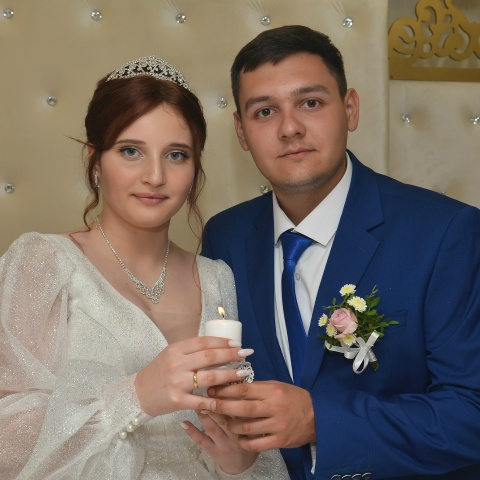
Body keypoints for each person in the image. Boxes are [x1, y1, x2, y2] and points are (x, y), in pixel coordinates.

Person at [201, 25, 480, 480]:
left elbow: (471, 411)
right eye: (265, 111)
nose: (290, 128)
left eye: (310, 103)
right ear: (241, 131)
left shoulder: (445, 233)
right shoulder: (225, 236)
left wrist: (319, 421)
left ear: (350, 109)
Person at [0, 56, 289, 480]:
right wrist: (135, 395)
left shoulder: (216, 277)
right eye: (130, 151)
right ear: (95, 160)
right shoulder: (44, 262)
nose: (155, 176)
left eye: (176, 155)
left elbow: (236, 430)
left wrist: (237, 459)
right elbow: (6, 438)